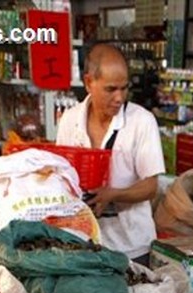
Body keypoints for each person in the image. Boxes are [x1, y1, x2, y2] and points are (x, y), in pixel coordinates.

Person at [55, 42, 165, 263]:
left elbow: (151, 186)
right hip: (84, 243)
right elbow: (61, 175)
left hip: (132, 247)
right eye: (110, 89)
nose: (119, 98)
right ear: (88, 82)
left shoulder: (142, 122)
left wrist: (113, 195)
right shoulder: (70, 120)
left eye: (124, 88)